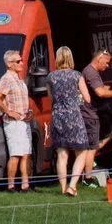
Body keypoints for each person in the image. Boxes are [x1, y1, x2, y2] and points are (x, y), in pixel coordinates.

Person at [47, 46, 98, 196]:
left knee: (62, 154)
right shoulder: (77, 76)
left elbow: (51, 99)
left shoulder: (50, 77)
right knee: (82, 151)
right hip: (74, 117)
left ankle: (63, 188)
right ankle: (72, 186)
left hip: (57, 117)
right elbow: (87, 98)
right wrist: (76, 98)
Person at [0, 49, 34, 190]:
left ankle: (25, 184)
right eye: (18, 61)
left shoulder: (19, 79)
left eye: (21, 60)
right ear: (9, 64)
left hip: (24, 120)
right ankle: (10, 185)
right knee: (16, 154)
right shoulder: (6, 79)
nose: (21, 63)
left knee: (26, 153)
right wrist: (8, 111)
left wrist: (29, 112)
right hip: (14, 123)